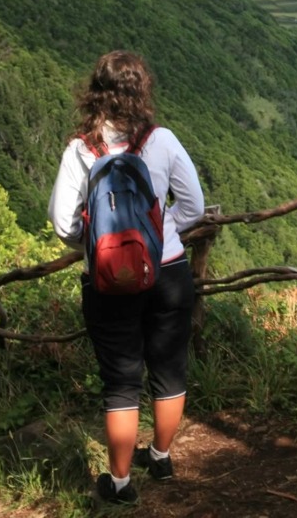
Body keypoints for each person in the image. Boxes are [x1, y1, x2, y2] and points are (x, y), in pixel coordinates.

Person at [48, 50, 205, 504]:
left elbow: (64, 224)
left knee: (121, 382)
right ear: (143, 91)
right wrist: (161, 232)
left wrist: (99, 247)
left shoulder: (81, 149)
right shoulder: (162, 140)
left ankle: (118, 485)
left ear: (95, 92)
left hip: (106, 283)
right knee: (169, 370)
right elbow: (193, 206)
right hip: (168, 270)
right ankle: (160, 456)